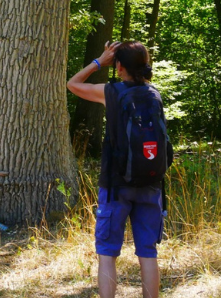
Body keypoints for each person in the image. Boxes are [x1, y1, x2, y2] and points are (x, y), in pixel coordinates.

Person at [67, 40, 164, 298]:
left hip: (115, 186)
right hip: (151, 183)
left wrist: (99, 61)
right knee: (148, 252)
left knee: (107, 253)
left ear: (119, 66)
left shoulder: (112, 92)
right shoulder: (154, 93)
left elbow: (73, 84)